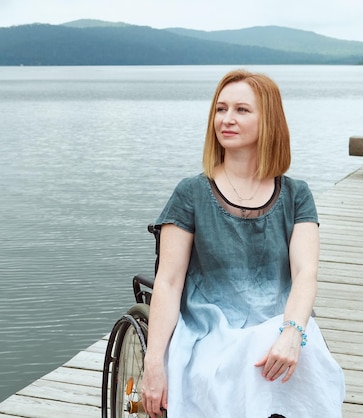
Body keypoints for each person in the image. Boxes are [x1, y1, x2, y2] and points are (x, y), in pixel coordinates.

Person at [140, 69, 345, 417]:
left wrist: (293, 332)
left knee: (303, 360)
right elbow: (169, 280)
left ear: (269, 120)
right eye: (221, 109)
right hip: (211, 329)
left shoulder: (296, 195)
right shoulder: (191, 193)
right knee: (244, 362)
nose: (226, 119)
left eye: (241, 110)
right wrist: (153, 361)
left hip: (282, 323)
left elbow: (305, 273)